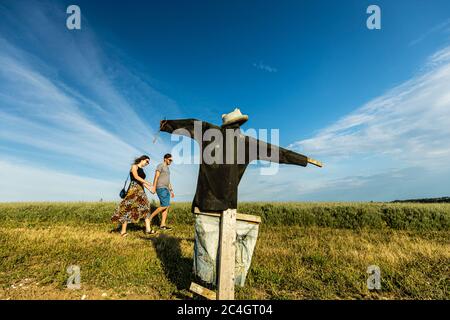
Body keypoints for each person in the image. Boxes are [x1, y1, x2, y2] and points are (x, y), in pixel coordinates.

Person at [111, 155, 154, 237]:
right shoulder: (134, 166)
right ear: (142, 159)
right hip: (133, 189)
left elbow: (142, 182)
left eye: (148, 162)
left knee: (146, 207)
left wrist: (149, 189)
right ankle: (123, 232)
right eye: (147, 161)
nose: (147, 163)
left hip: (141, 190)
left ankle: (148, 230)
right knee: (127, 208)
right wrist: (147, 182)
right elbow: (136, 177)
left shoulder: (142, 170)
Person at [145, 153, 175, 232]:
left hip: (166, 188)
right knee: (164, 205)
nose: (171, 162)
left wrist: (171, 190)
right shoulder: (160, 165)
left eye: (171, 160)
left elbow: (168, 180)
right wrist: (154, 187)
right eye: (170, 160)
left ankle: (162, 225)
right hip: (160, 187)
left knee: (166, 206)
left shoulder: (168, 169)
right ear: (165, 158)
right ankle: (149, 218)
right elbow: (156, 176)